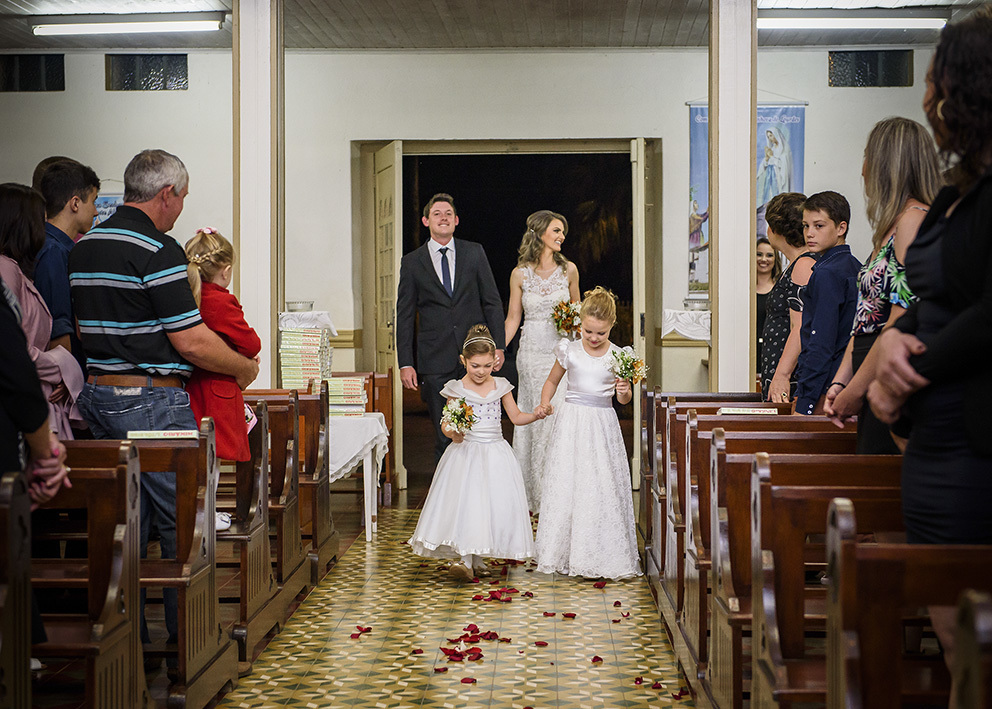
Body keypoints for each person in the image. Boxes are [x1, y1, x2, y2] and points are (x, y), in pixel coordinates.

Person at [68, 149, 259, 654]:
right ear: (165, 194)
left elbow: (82, 329)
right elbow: (190, 340)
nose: (180, 211)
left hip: (97, 394)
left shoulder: (85, 246)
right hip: (150, 399)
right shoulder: (158, 249)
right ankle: (190, 644)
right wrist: (243, 369)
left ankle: (124, 637)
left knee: (127, 523)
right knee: (183, 518)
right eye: (181, 199)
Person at [867, 8, 992, 700]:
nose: (925, 99)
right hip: (936, 448)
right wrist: (889, 347)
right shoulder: (956, 192)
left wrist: (909, 365)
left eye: (934, 82)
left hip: (976, 441)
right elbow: (933, 299)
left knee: (977, 640)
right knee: (959, 642)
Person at [823, 118, 941, 452]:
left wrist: (856, 390)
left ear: (888, 165)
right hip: (867, 367)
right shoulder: (889, 228)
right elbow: (865, 319)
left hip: (885, 374)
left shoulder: (913, 222)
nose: (862, 170)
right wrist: (840, 380)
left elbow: (900, 321)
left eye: (867, 158)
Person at [408, 325, 542, 581]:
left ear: (495, 361)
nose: (481, 372)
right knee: (468, 503)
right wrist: (453, 434)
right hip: (466, 453)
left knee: (490, 505)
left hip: (495, 452)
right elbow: (446, 423)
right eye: (474, 366)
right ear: (464, 361)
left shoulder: (501, 386)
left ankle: (477, 557)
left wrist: (535, 414)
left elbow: (514, 416)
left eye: (486, 366)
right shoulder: (456, 389)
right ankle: (464, 560)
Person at [533, 287, 640, 580]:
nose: (593, 338)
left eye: (600, 334)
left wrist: (624, 391)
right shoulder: (570, 350)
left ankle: (598, 550)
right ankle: (564, 550)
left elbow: (624, 401)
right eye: (588, 331)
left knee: (599, 482)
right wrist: (545, 402)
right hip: (571, 422)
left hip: (602, 423)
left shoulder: (619, 356)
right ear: (580, 323)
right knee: (570, 481)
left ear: (611, 327)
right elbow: (552, 382)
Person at [396, 193, 506, 462]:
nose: (443, 217)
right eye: (436, 213)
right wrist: (405, 363)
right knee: (446, 432)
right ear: (425, 221)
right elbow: (405, 315)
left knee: (478, 430)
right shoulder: (412, 262)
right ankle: (448, 497)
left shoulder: (474, 252)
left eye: (448, 213)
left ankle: (477, 491)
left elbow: (491, 302)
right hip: (435, 359)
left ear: (456, 220)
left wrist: (499, 346)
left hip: (476, 356)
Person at [503, 210, 580, 512]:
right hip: (531, 353)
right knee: (533, 418)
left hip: (561, 350)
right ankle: (529, 494)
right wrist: (498, 349)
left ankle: (559, 494)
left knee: (559, 418)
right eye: (557, 231)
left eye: (563, 232)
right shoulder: (519, 274)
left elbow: (578, 314)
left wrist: (572, 326)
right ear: (540, 233)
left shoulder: (569, 270)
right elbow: (513, 318)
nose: (562, 236)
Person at [0, 184, 85, 439]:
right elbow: (12, 349)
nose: (45, 226)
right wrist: (63, 365)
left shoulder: (14, 267)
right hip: (22, 404)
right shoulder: (5, 269)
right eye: (41, 219)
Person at [184, 227, 261, 463]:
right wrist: (247, 360)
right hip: (219, 392)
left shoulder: (186, 297)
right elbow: (251, 344)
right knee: (211, 467)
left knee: (195, 461)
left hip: (189, 388)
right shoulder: (221, 300)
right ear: (226, 271)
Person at [793, 191, 862, 415]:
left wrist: (806, 401)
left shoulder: (827, 273)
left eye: (819, 226)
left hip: (825, 387)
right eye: (805, 226)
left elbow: (821, 342)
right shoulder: (856, 266)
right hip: (849, 380)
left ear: (841, 228)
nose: (809, 233)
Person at [35, 159, 100, 376]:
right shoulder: (53, 251)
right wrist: (64, 373)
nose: (96, 212)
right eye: (93, 201)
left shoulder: (57, 246)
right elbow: (57, 324)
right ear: (74, 203)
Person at [762, 192, 815, 401]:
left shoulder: (803, 264)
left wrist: (782, 375)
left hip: (791, 377)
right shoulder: (794, 265)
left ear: (775, 228)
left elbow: (800, 325)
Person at [755, 236, 781, 372]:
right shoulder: (745, 292)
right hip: (748, 355)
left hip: (773, 355)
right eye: (759, 254)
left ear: (775, 259)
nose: (763, 259)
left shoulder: (781, 291)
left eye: (769, 255)